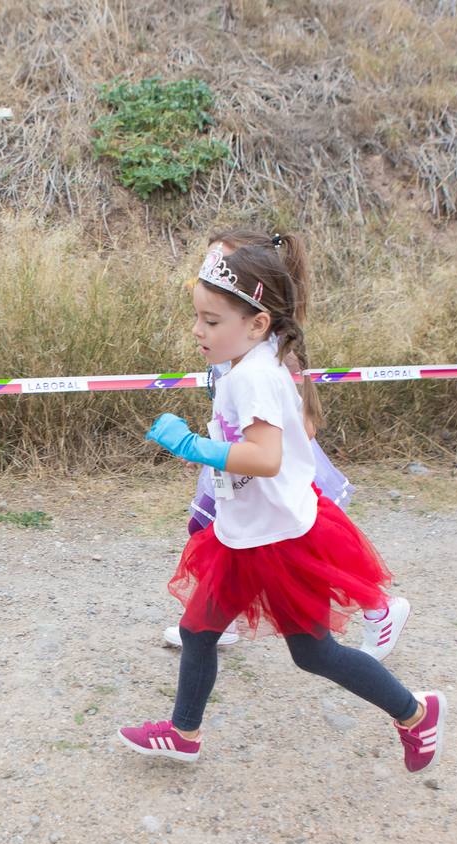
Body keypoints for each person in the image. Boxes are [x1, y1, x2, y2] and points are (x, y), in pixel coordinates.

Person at [119, 235, 445, 773]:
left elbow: (265, 458)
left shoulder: (253, 377)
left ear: (256, 324)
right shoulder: (251, 363)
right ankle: (183, 733)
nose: (198, 331)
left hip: (276, 542)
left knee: (314, 652)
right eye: (197, 317)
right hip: (247, 532)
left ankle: (416, 714)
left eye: (212, 320)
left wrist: (192, 446)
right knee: (199, 629)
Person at [159, 234, 410, 659]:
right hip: (238, 458)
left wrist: (200, 448)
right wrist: (211, 445)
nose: (210, 269)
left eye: (220, 261)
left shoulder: (269, 352)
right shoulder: (235, 341)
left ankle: (379, 607)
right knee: (214, 535)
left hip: (274, 465)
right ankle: (218, 622)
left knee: (310, 558)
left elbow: (301, 422)